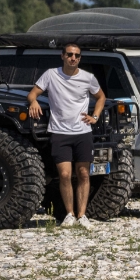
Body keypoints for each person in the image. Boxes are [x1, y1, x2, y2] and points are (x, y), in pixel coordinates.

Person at [27, 42, 106, 227]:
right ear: (62, 56)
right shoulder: (51, 74)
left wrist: (95, 116)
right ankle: (69, 214)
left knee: (84, 174)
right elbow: (32, 94)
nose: (73, 58)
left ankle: (82, 215)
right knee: (64, 174)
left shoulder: (88, 77)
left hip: (83, 132)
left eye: (77, 55)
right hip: (59, 132)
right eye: (69, 54)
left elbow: (101, 97)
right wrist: (33, 102)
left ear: (80, 58)